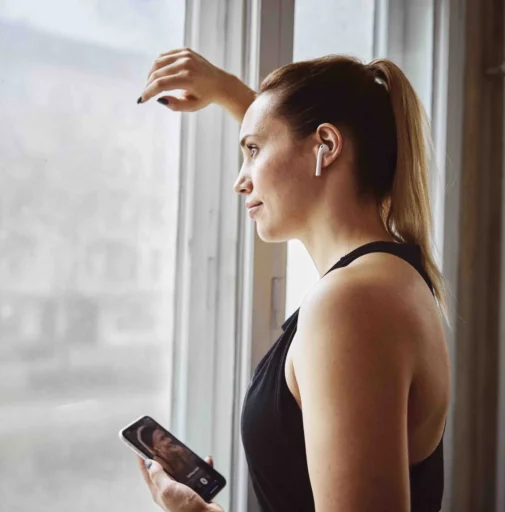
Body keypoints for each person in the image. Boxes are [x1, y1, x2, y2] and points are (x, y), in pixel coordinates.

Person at [136, 48, 450, 512]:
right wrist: (229, 93)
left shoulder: (352, 303)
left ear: (326, 146)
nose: (240, 181)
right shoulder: (387, 278)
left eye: (252, 151)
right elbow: (299, 154)